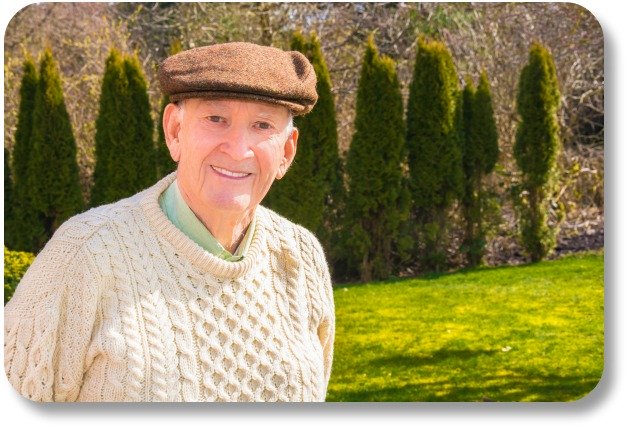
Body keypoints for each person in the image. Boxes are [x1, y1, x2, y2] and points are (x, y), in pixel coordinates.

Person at [4, 42, 335, 402]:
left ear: (286, 151)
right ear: (175, 130)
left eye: (262, 125)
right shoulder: (85, 252)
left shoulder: (300, 256)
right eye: (216, 119)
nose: (238, 149)